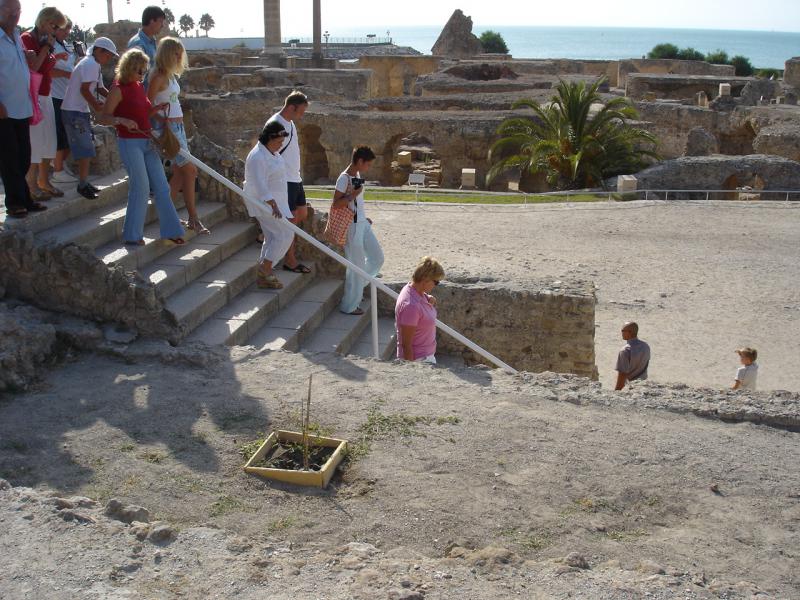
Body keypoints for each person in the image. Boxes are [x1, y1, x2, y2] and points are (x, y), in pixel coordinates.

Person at [98, 48, 184, 246]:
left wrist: (156, 110)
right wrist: (121, 120)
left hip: (147, 140)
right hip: (129, 142)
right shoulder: (118, 89)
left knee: (162, 186)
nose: (142, 75)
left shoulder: (137, 86)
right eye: (139, 71)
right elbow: (102, 117)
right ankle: (132, 235)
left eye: (144, 71)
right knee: (141, 187)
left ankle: (171, 230)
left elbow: (143, 113)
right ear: (129, 68)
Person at [147, 37, 207, 234]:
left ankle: (170, 214)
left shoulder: (171, 76)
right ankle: (193, 218)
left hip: (178, 127)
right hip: (168, 130)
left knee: (182, 172)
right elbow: (145, 106)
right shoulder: (158, 76)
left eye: (180, 52)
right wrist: (159, 114)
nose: (180, 56)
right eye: (175, 52)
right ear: (166, 53)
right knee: (190, 171)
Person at [0, 0, 46, 218]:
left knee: (24, 156)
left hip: (22, 105)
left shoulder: (16, 36)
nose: (14, 14)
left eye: (17, 10)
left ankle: (25, 198)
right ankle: (15, 202)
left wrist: (28, 57)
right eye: (9, 9)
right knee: (10, 158)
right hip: (4, 108)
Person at [60, 37, 117, 199]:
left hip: (78, 110)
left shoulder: (93, 64)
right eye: (108, 55)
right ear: (99, 51)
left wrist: (116, 99)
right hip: (74, 111)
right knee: (84, 149)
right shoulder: (91, 64)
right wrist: (97, 105)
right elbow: (85, 90)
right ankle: (82, 184)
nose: (109, 59)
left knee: (87, 147)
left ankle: (84, 181)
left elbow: (100, 88)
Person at [21, 6, 67, 200]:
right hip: (34, 95)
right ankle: (31, 185)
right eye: (54, 25)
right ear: (44, 21)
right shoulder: (27, 39)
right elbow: (35, 67)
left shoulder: (45, 41)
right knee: (36, 142)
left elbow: (47, 66)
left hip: (46, 94)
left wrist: (51, 52)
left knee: (49, 140)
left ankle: (43, 181)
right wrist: (47, 48)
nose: (55, 30)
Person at [333, 145, 384, 315]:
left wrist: (363, 216)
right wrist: (353, 195)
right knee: (356, 266)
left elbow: (357, 203)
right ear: (360, 161)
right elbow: (336, 204)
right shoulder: (343, 178)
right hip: (352, 226)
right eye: (368, 164)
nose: (368, 168)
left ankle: (357, 289)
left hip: (361, 223)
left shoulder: (357, 174)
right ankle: (349, 305)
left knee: (377, 258)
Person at [243, 121, 295, 290]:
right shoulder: (258, 156)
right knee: (284, 235)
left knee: (273, 237)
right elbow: (259, 183)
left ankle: (265, 270)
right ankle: (265, 269)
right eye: (278, 142)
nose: (280, 146)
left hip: (277, 201)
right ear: (269, 139)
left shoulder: (271, 152)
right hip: (264, 203)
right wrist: (272, 203)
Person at [265, 90, 312, 273]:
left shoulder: (289, 123)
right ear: (292, 107)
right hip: (284, 180)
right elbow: (267, 153)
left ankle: (268, 234)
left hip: (294, 177)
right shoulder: (275, 124)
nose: (302, 115)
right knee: (290, 220)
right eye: (301, 110)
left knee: (302, 213)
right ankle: (290, 260)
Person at [395, 257, 445, 363]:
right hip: (420, 360)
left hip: (424, 356)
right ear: (425, 279)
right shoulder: (411, 306)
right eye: (436, 282)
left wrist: (428, 297)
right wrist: (412, 370)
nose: (436, 285)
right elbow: (406, 345)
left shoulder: (413, 289)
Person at [50, 17, 76, 184]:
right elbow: (48, 70)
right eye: (64, 28)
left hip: (66, 96)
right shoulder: (50, 46)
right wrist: (66, 74)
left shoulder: (65, 45)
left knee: (67, 133)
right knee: (59, 133)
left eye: (68, 29)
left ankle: (60, 163)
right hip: (54, 95)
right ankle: (57, 170)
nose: (67, 32)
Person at [127, 5, 164, 86]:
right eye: (160, 21)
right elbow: (134, 75)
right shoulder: (138, 44)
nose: (162, 25)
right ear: (151, 21)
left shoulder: (151, 41)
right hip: (141, 94)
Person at [614, 321, 651, 390]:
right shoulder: (646, 346)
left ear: (630, 332)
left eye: (623, 330)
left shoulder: (625, 350)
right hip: (643, 386)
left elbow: (622, 374)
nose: (621, 332)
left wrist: (617, 391)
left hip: (629, 387)